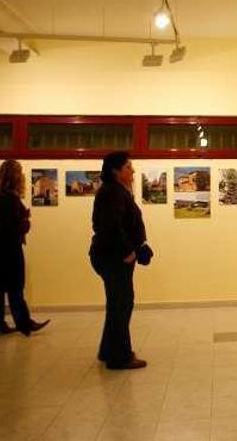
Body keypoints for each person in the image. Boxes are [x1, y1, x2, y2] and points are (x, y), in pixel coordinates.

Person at [89, 151, 150, 370]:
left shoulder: (115, 191)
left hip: (112, 256)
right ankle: (119, 357)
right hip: (113, 257)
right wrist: (128, 251)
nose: (132, 171)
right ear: (116, 170)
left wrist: (139, 245)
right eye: (128, 167)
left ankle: (109, 350)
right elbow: (110, 227)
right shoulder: (113, 192)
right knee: (122, 304)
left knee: (118, 304)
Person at [0, 160, 49, 337]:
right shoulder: (9, 197)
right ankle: (23, 322)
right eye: (19, 173)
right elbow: (14, 225)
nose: (21, 176)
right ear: (13, 176)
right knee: (15, 283)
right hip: (8, 243)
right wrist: (25, 220)